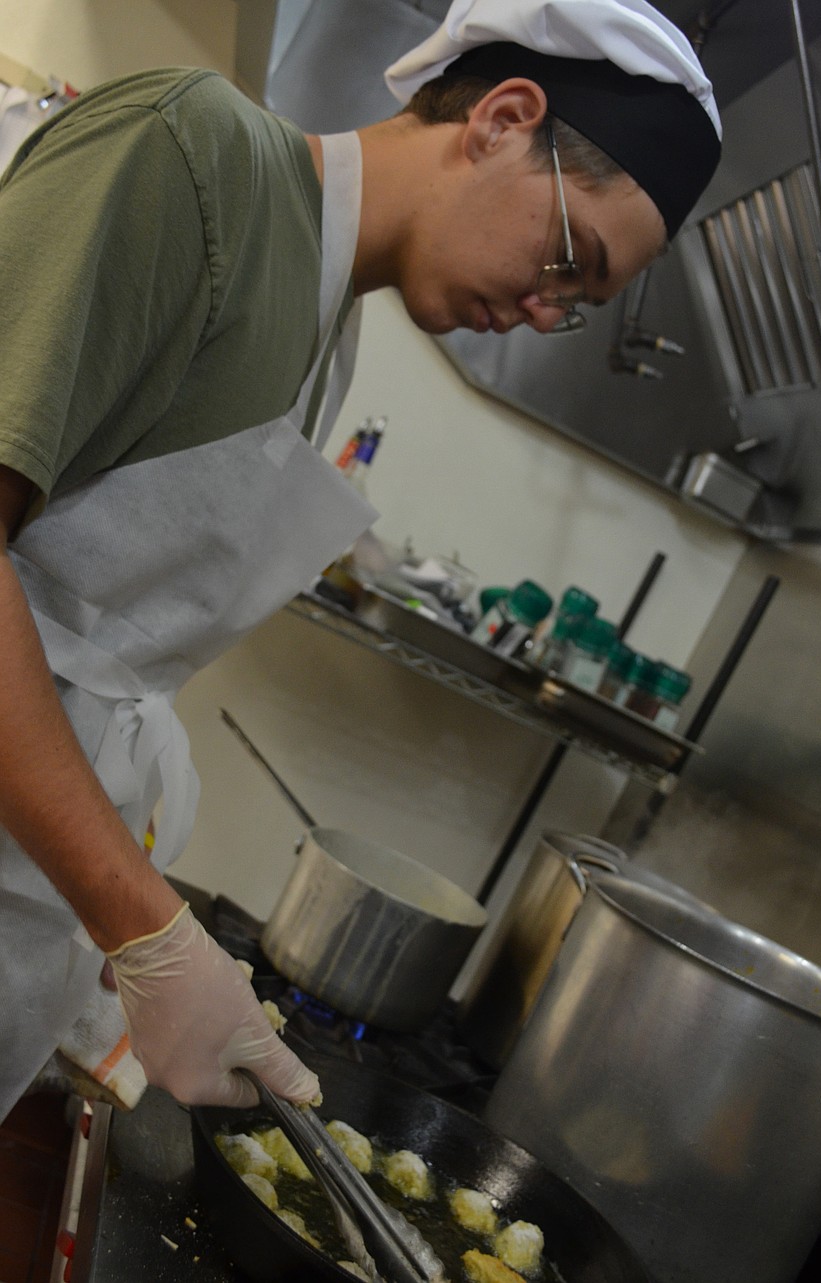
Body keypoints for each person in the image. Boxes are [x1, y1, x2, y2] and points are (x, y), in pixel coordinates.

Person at [0, 0, 721, 1122]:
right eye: (567, 257)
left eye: (578, 308)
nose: (542, 310)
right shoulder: (197, 157)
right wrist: (141, 918)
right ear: (501, 118)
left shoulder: (327, 327)